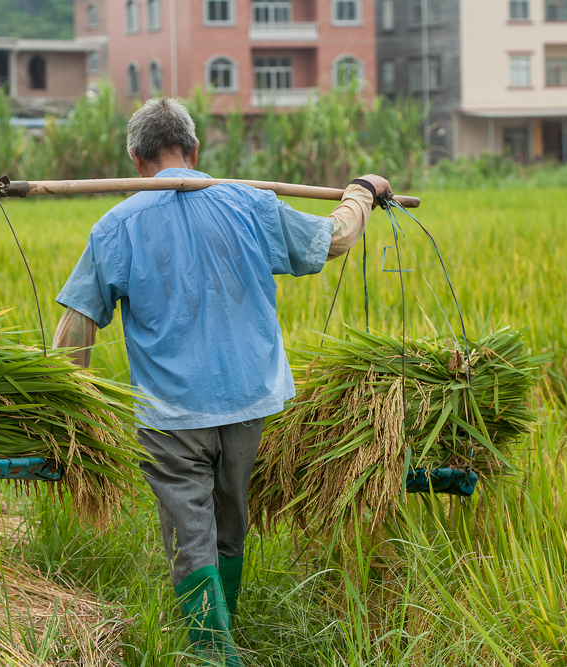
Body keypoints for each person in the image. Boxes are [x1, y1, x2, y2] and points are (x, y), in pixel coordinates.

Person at [52, 98, 391, 664]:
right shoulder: (251, 204)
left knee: (192, 535)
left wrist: (64, 409)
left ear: (136, 160)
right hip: (249, 401)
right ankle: (221, 641)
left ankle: (214, 653)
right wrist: (361, 192)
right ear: (194, 150)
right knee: (231, 521)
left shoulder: (117, 226)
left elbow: (77, 325)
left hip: (171, 416)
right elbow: (332, 239)